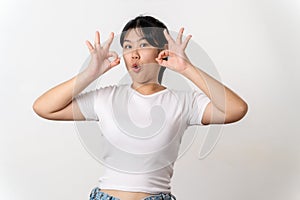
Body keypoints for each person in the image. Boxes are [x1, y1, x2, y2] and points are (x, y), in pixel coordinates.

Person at [33, 15, 248, 200]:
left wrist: (186, 68)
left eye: (143, 44)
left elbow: (236, 109)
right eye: (128, 46)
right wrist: (90, 74)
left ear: (162, 51)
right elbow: (44, 108)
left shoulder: (184, 102)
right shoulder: (106, 97)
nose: (134, 53)